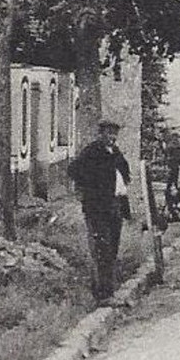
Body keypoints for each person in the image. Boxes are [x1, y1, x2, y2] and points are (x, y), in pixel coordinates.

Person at [68, 120, 132, 304]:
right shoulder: (92, 152)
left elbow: (124, 173)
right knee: (102, 249)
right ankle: (103, 294)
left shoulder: (116, 153)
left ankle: (108, 290)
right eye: (109, 133)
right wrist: (93, 188)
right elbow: (74, 170)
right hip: (98, 208)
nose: (112, 137)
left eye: (114, 134)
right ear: (100, 134)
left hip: (116, 206)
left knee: (112, 249)